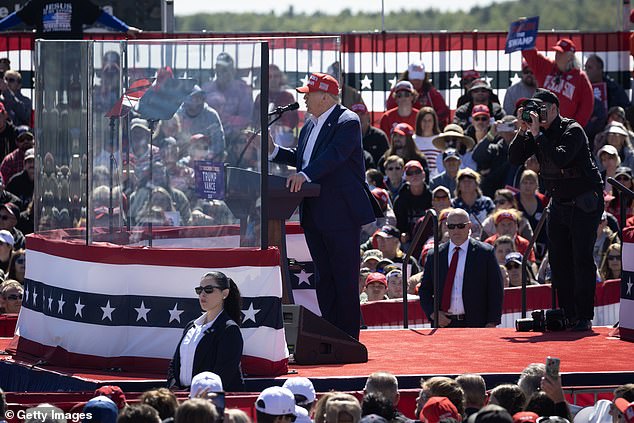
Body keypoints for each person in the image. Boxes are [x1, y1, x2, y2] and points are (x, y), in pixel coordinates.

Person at [268, 72, 375, 340]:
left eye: (308, 93)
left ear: (325, 97)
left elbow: (333, 157)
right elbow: (303, 159)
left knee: (343, 277)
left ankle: (349, 338)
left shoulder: (347, 121)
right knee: (324, 278)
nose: (303, 98)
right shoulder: (309, 126)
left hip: (340, 213)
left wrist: (304, 176)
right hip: (315, 212)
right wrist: (273, 151)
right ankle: (331, 333)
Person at [509, 88, 604, 332]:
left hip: (584, 202)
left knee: (581, 258)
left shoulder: (572, 130)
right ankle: (568, 313)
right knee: (559, 260)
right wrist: (523, 129)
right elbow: (514, 157)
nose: (537, 113)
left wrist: (538, 134)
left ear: (553, 109)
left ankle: (583, 315)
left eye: (541, 108)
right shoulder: (536, 131)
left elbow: (560, 158)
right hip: (559, 204)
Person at [418, 208, 503, 328]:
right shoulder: (435, 255)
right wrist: (433, 313)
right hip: (444, 324)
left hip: (477, 324)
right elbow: (425, 290)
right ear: (446, 227)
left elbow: (496, 290)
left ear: (469, 226)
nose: (456, 230)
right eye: (452, 226)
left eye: (460, 226)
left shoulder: (485, 253)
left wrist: (492, 322)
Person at [167, 271, 244, 391]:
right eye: (199, 290)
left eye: (208, 289)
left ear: (225, 293)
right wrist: (174, 387)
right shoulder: (191, 326)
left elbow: (223, 374)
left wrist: (191, 393)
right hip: (183, 399)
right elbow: (175, 363)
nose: (202, 294)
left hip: (211, 401)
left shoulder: (229, 329)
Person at [522, 38, 594, 127]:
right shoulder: (547, 66)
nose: (557, 55)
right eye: (556, 52)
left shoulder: (580, 78)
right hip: (542, 126)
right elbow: (530, 55)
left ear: (570, 56)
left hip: (564, 130)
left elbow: (587, 107)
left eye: (561, 53)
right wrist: (526, 35)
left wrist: (573, 127)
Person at [203, 52, 252, 141]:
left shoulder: (243, 89)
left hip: (236, 138)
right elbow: (201, 117)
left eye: (225, 69)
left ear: (233, 71)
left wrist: (225, 120)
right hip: (210, 137)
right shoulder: (206, 90)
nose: (221, 73)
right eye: (218, 69)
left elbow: (246, 118)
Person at [386, 61, 450, 128]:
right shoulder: (399, 90)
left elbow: (443, 111)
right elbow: (391, 109)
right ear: (408, 76)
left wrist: (429, 120)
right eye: (414, 79)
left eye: (419, 79)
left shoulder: (430, 92)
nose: (417, 82)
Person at [414, 107, 443, 178]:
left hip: (437, 178)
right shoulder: (413, 140)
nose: (427, 123)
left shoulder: (441, 139)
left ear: (434, 122)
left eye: (429, 120)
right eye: (424, 120)